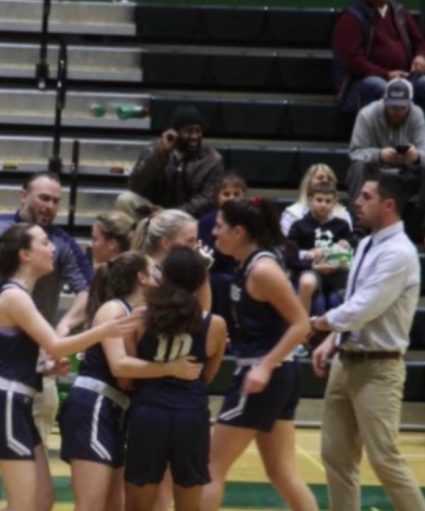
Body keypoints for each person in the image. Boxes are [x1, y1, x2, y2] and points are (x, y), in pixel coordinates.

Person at [0, 223, 138, 511]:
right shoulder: (14, 295)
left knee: (42, 500)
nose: (53, 249)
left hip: (17, 401)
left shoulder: (21, 294)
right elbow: (56, 344)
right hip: (4, 403)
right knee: (24, 504)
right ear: (25, 254)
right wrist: (105, 329)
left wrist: (44, 369)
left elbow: (7, 355)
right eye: (44, 243)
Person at [311, 174, 425, 511]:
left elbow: (364, 308)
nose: (356, 202)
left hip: (379, 367)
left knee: (383, 459)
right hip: (346, 362)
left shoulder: (400, 253)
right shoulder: (365, 244)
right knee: (336, 456)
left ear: (388, 205)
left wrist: (317, 323)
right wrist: (331, 338)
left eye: (365, 196)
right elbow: (356, 301)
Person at [59, 252, 203, 511]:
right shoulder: (114, 308)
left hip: (116, 409)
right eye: (155, 270)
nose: (161, 276)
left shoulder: (144, 314)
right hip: (94, 404)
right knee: (91, 505)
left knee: (115, 505)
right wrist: (170, 368)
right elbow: (120, 366)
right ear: (142, 277)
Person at [202, 198, 318, 511]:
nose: (213, 233)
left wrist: (265, 366)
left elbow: (300, 324)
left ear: (238, 232)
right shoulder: (249, 264)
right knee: (282, 472)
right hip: (279, 374)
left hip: (264, 374)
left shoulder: (263, 269)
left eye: (219, 227)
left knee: (211, 468)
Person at [0, 172, 93, 446]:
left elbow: (89, 292)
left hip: (39, 356)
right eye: (44, 197)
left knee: (33, 464)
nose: (50, 206)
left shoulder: (61, 244)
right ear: (23, 196)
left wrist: (63, 327)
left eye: (56, 201)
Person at [124, 247, 227, 511]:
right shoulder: (215, 324)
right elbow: (208, 376)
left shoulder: (140, 317)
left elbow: (127, 378)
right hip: (191, 416)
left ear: (165, 276)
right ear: (201, 280)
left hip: (148, 414)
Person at [116, 106, 224, 222]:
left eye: (198, 131)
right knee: (125, 199)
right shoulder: (154, 150)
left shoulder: (212, 159)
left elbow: (207, 199)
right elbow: (135, 185)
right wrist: (161, 153)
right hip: (156, 213)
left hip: (190, 217)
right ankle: (134, 239)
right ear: (175, 132)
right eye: (189, 131)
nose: (195, 136)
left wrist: (170, 213)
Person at [346, 79, 425, 223]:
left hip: (406, 175)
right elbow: (355, 151)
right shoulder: (367, 114)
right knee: (357, 166)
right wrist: (379, 155)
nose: (398, 112)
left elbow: (423, 151)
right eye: (393, 107)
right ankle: (358, 227)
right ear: (384, 101)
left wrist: (416, 157)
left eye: (403, 108)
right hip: (375, 173)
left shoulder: (417, 114)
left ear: (410, 104)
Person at [333, 0, 425, 113]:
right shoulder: (351, 17)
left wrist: (420, 56)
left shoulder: (398, 11)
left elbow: (419, 41)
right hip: (364, 82)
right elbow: (353, 61)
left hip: (404, 77)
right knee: (382, 88)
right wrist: (386, 75)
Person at [287, 182, 354, 314]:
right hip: (310, 269)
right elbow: (289, 254)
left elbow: (353, 247)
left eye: (328, 201)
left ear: (334, 202)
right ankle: (302, 326)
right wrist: (307, 255)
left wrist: (347, 243)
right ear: (310, 201)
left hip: (337, 271)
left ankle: (342, 332)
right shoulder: (299, 225)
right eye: (319, 200)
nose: (323, 204)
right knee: (306, 283)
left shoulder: (342, 225)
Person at [198, 172, 246, 332]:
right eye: (226, 194)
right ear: (217, 196)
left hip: (244, 271)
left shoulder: (250, 219)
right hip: (216, 272)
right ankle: (220, 332)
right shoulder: (206, 221)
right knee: (223, 282)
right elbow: (206, 255)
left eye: (236, 194)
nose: (231, 198)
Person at [281, 164, 353, 237]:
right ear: (308, 182)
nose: (325, 181)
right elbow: (286, 245)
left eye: (330, 179)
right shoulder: (292, 214)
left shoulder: (343, 214)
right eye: (320, 178)